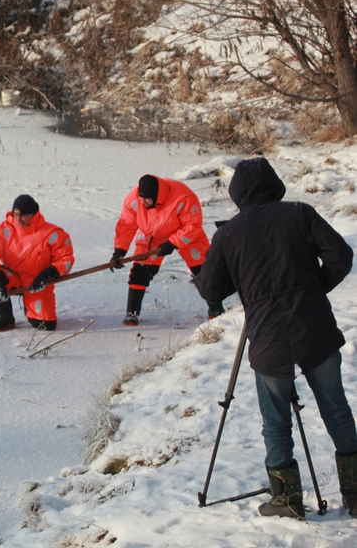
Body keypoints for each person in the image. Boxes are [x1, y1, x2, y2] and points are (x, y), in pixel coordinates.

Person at [194, 157, 356, 520]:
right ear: (275, 184)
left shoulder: (228, 234)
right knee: (336, 408)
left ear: (237, 194)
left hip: (268, 336)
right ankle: (356, 492)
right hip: (315, 327)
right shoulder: (299, 213)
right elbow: (341, 257)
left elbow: (209, 288)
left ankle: (287, 499)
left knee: (276, 419)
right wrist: (315, 288)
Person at [109, 173, 223, 325]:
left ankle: (216, 309)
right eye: (141, 198)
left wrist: (172, 243)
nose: (143, 202)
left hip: (186, 234)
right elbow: (126, 225)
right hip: (152, 234)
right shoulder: (134, 199)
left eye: (147, 199)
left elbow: (193, 225)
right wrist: (119, 251)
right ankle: (132, 313)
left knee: (202, 270)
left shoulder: (183, 196)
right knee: (140, 270)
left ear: (157, 196)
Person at [0, 194, 75, 331]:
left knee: (45, 326)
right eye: (16, 214)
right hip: (12, 276)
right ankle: (5, 319)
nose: (18, 218)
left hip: (38, 281)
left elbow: (66, 258)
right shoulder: (5, 229)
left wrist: (50, 273)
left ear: (33, 214)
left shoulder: (52, 233)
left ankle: (31, 309)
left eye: (22, 215)